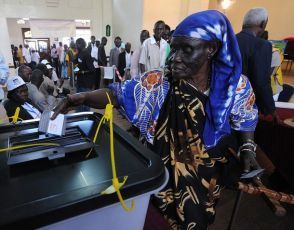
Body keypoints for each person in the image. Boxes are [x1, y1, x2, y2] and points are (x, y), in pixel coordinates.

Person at [52, 10, 260, 229]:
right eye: (174, 48)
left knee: (198, 218)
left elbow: (245, 118)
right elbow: (118, 94)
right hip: (162, 171)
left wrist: (247, 147)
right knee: (158, 220)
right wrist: (80, 97)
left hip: (208, 176)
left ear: (211, 49)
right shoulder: (160, 81)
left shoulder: (234, 86)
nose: (174, 58)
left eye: (186, 50)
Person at [236, 8, 277, 120]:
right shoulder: (263, 45)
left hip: (224, 101)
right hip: (247, 105)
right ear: (263, 24)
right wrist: (271, 109)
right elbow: (261, 81)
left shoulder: (231, 40)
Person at [74, 38, 96, 112]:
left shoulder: (86, 54)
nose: (76, 46)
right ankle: (79, 115)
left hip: (86, 82)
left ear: (81, 44)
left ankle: (85, 116)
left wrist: (82, 72)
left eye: (77, 44)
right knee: (79, 101)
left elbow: (92, 69)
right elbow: (75, 61)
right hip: (80, 81)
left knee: (85, 102)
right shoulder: (80, 53)